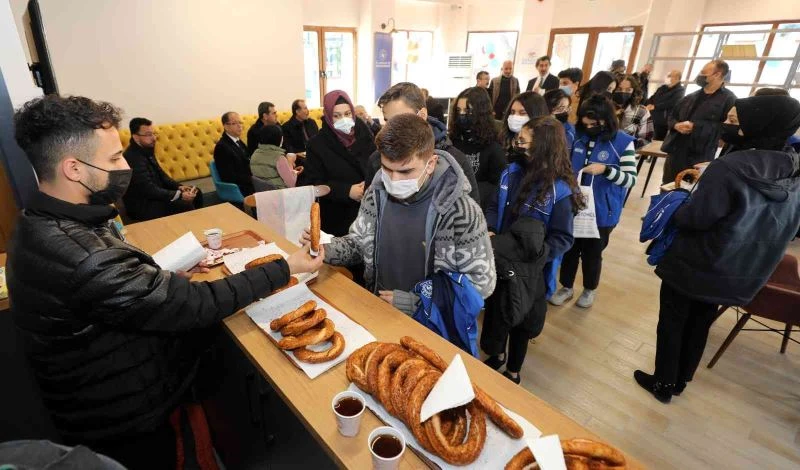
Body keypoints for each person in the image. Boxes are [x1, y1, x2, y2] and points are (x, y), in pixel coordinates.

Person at [8, 94, 324, 469]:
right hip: (123, 417)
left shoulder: (38, 221)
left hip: (95, 395)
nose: (125, 166)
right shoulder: (84, 255)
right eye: (114, 159)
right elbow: (196, 304)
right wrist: (286, 267)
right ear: (74, 168)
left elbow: (113, 290)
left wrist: (157, 278)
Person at [635, 94, 800, 403]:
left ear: (757, 125)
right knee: (701, 322)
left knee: (673, 320)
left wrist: (682, 198)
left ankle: (662, 382)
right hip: (740, 266)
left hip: (698, 260)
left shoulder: (730, 168)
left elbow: (695, 218)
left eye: (734, 121)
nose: (726, 125)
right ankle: (681, 379)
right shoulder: (791, 166)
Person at [303, 113, 495, 315]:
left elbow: (481, 282)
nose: (394, 180)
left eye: (405, 172)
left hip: (431, 322)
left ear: (430, 164)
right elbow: (359, 243)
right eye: (387, 169)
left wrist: (417, 303)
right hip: (379, 307)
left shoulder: (461, 211)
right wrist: (327, 249)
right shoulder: (376, 195)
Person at [482, 116, 582, 383]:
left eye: (523, 142)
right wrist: (490, 227)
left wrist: (537, 255)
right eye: (518, 140)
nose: (517, 145)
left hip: (530, 272)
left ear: (543, 147)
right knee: (497, 312)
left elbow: (563, 238)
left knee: (522, 323)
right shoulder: (510, 172)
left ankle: (513, 370)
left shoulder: (559, 190)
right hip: (500, 259)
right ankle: (497, 354)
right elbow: (493, 206)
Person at [550, 95, 638, 308]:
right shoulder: (578, 137)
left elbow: (630, 179)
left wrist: (606, 170)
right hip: (573, 206)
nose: (588, 127)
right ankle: (566, 287)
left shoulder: (622, 142)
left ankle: (589, 289)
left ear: (606, 120)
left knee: (592, 254)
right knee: (570, 250)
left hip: (602, 211)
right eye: (585, 123)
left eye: (593, 124)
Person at [363, 82, 480, 203]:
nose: (392, 127)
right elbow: (370, 206)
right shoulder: (377, 160)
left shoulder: (455, 161)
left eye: (400, 120)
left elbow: (471, 208)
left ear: (422, 115)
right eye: (388, 121)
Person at [298, 90, 376, 236]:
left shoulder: (364, 134)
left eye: (347, 114)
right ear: (328, 117)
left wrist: (369, 184)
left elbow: (376, 164)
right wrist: (347, 191)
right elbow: (314, 183)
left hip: (369, 210)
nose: (344, 119)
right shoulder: (317, 144)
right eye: (337, 116)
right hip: (338, 216)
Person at [661, 60, 736, 184]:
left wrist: (696, 127)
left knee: (688, 188)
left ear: (717, 75)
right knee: (667, 185)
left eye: (703, 72)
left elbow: (726, 128)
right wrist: (676, 125)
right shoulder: (690, 97)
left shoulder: (729, 100)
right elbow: (672, 116)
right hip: (676, 150)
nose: (700, 75)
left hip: (699, 154)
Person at [122, 117, 202, 221]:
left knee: (196, 192)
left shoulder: (146, 149)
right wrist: (178, 195)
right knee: (184, 205)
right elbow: (148, 189)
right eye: (148, 135)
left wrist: (179, 187)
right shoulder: (132, 157)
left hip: (155, 196)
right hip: (143, 204)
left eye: (154, 133)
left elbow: (162, 175)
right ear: (136, 137)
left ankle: (199, 222)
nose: (154, 138)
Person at [448, 87, 506, 211]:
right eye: (458, 110)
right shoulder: (453, 140)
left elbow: (498, 186)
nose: (462, 115)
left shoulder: (493, 146)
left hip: (479, 207)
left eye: (467, 111)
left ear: (480, 113)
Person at [213, 111, 254, 196]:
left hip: (249, 181)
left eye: (240, 122)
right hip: (240, 187)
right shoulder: (222, 147)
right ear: (226, 126)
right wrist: (253, 179)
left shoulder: (238, 141)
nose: (239, 126)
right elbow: (229, 176)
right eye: (235, 123)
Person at [250, 124, 299, 189]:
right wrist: (290, 162)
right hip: (279, 192)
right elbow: (291, 183)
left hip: (263, 192)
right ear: (279, 138)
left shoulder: (255, 153)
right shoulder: (279, 157)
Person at [614, 74, 654, 149]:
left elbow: (647, 139)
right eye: (619, 89)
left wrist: (628, 147)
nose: (623, 92)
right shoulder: (603, 108)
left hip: (626, 152)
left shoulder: (642, 111)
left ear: (633, 91)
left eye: (628, 90)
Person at [645, 69, 685, 140]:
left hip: (663, 120)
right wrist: (649, 104)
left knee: (657, 140)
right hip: (651, 117)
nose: (667, 77)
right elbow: (653, 97)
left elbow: (672, 102)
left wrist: (655, 106)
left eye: (669, 76)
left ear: (676, 78)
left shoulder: (680, 90)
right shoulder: (662, 88)